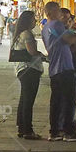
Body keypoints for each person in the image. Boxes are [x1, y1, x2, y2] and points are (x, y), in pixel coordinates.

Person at [42, 1, 76, 141]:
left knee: (56, 101)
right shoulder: (55, 24)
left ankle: (55, 131)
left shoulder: (46, 27)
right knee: (68, 100)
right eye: (58, 10)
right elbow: (69, 40)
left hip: (54, 67)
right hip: (64, 67)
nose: (60, 13)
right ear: (50, 13)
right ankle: (68, 132)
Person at [12, 10, 44, 140]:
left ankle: (21, 127)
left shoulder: (19, 34)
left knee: (24, 99)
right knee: (28, 100)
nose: (35, 22)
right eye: (33, 19)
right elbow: (32, 52)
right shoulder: (27, 34)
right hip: (29, 69)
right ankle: (27, 130)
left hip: (22, 69)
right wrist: (43, 56)